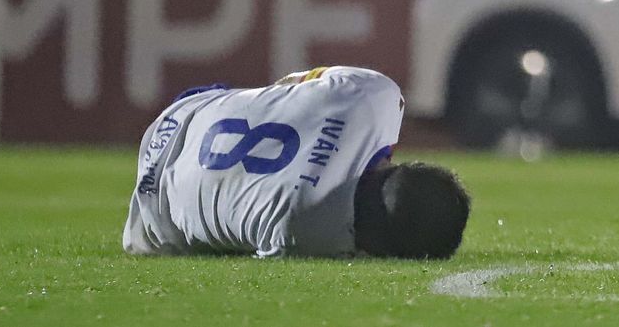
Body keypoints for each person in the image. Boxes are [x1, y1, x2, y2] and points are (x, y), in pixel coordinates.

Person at [123, 65, 470, 258]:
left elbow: (290, 84)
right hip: (154, 215)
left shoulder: (374, 96)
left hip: (187, 110)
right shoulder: (309, 238)